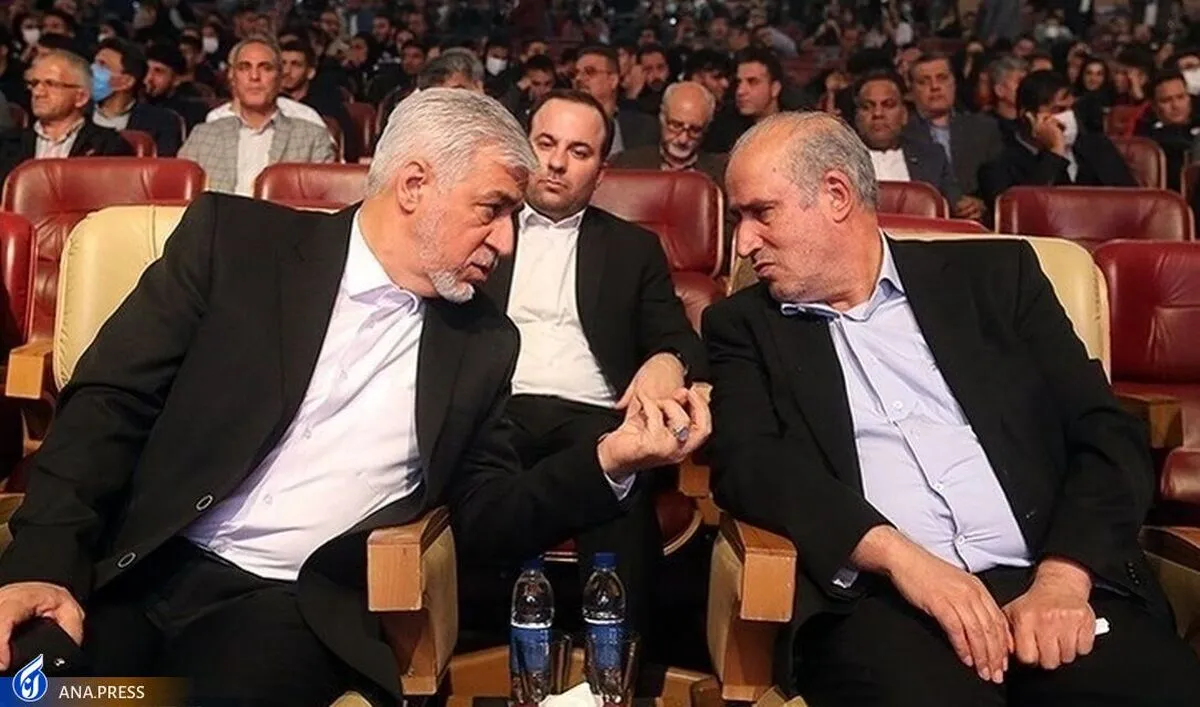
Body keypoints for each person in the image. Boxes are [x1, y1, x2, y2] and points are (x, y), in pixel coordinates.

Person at [0, 87, 710, 707]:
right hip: (138, 561)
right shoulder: (237, 245)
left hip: (285, 606)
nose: (505, 239)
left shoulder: (481, 341)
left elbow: (487, 513)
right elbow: (109, 405)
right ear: (414, 184)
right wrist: (40, 565)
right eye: (493, 210)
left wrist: (610, 460)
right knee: (32, 692)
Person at [705, 110, 1200, 706]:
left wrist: (1063, 578)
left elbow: (1106, 434)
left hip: (1052, 582)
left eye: (761, 213)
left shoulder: (997, 279)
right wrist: (900, 558)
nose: (743, 243)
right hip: (885, 607)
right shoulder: (743, 326)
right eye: (737, 219)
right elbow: (749, 463)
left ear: (836, 195)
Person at [479, 88, 708, 638]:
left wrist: (668, 359)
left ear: (601, 171)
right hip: (495, 413)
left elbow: (680, 337)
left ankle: (615, 666)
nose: (557, 163)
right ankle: (487, 655)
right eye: (545, 144)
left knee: (619, 473)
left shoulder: (632, 248)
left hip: (593, 416)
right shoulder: (479, 226)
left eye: (578, 151)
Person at [180, 36, 334, 196]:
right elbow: (180, 194)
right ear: (232, 77)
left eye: (266, 68)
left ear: (280, 77)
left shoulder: (312, 138)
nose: (254, 77)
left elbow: (325, 201)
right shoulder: (202, 136)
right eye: (244, 68)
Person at [979, 70, 1135, 205]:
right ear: (1028, 117)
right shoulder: (1000, 163)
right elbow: (1025, 210)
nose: (1069, 117)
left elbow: (1133, 201)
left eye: (1071, 109)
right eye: (1059, 110)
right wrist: (1055, 152)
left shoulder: (1098, 146)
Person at [0, 50, 132, 186]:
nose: (38, 92)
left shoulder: (108, 147)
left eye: (51, 84)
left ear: (81, 97)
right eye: (34, 84)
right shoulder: (7, 143)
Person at [903, 53, 1003, 215]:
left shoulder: (984, 129)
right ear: (911, 90)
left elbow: (999, 186)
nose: (935, 87)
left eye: (942, 78)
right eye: (924, 81)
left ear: (954, 82)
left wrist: (983, 204)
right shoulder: (902, 133)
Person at [852, 71, 963, 213]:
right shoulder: (839, 161)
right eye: (867, 107)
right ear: (857, 117)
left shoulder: (932, 157)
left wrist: (968, 207)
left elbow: (956, 205)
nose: (878, 114)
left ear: (904, 115)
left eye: (888, 105)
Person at [611, 81, 727, 186]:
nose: (683, 139)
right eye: (676, 126)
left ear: (706, 128)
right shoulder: (626, 166)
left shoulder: (720, 174)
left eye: (695, 130)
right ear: (662, 118)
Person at [92, 38, 184, 157]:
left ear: (127, 82)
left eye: (102, 65)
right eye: (94, 63)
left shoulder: (162, 122)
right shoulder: (76, 112)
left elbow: (163, 165)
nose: (92, 70)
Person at [573, 45, 657, 158]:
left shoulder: (645, 128)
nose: (578, 78)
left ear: (613, 80)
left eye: (590, 72)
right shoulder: (563, 124)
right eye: (576, 73)